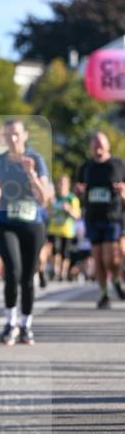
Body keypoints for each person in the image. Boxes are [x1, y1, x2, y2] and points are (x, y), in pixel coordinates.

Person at [0, 120, 52, 346]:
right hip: (6, 223)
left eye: (16, 134)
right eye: (8, 135)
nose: (12, 139)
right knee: (12, 272)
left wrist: (31, 173)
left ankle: (26, 324)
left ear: (25, 135)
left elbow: (44, 199)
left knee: (27, 276)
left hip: (32, 225)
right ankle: (10, 322)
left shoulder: (36, 159)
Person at [75, 132, 125, 308]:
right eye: (95, 146)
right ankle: (104, 295)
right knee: (98, 259)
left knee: (110, 258)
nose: (98, 149)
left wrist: (122, 193)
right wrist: (79, 192)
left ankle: (117, 280)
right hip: (92, 217)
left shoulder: (119, 165)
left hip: (113, 217)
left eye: (101, 145)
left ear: (108, 146)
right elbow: (79, 189)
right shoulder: (86, 167)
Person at [46, 174, 81, 281]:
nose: (61, 185)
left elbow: (77, 215)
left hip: (67, 230)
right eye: (60, 182)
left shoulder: (72, 198)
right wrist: (51, 209)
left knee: (65, 253)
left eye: (64, 182)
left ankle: (63, 273)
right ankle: (56, 271)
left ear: (68, 184)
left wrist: (69, 210)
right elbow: (47, 213)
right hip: (54, 229)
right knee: (55, 251)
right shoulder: (53, 198)